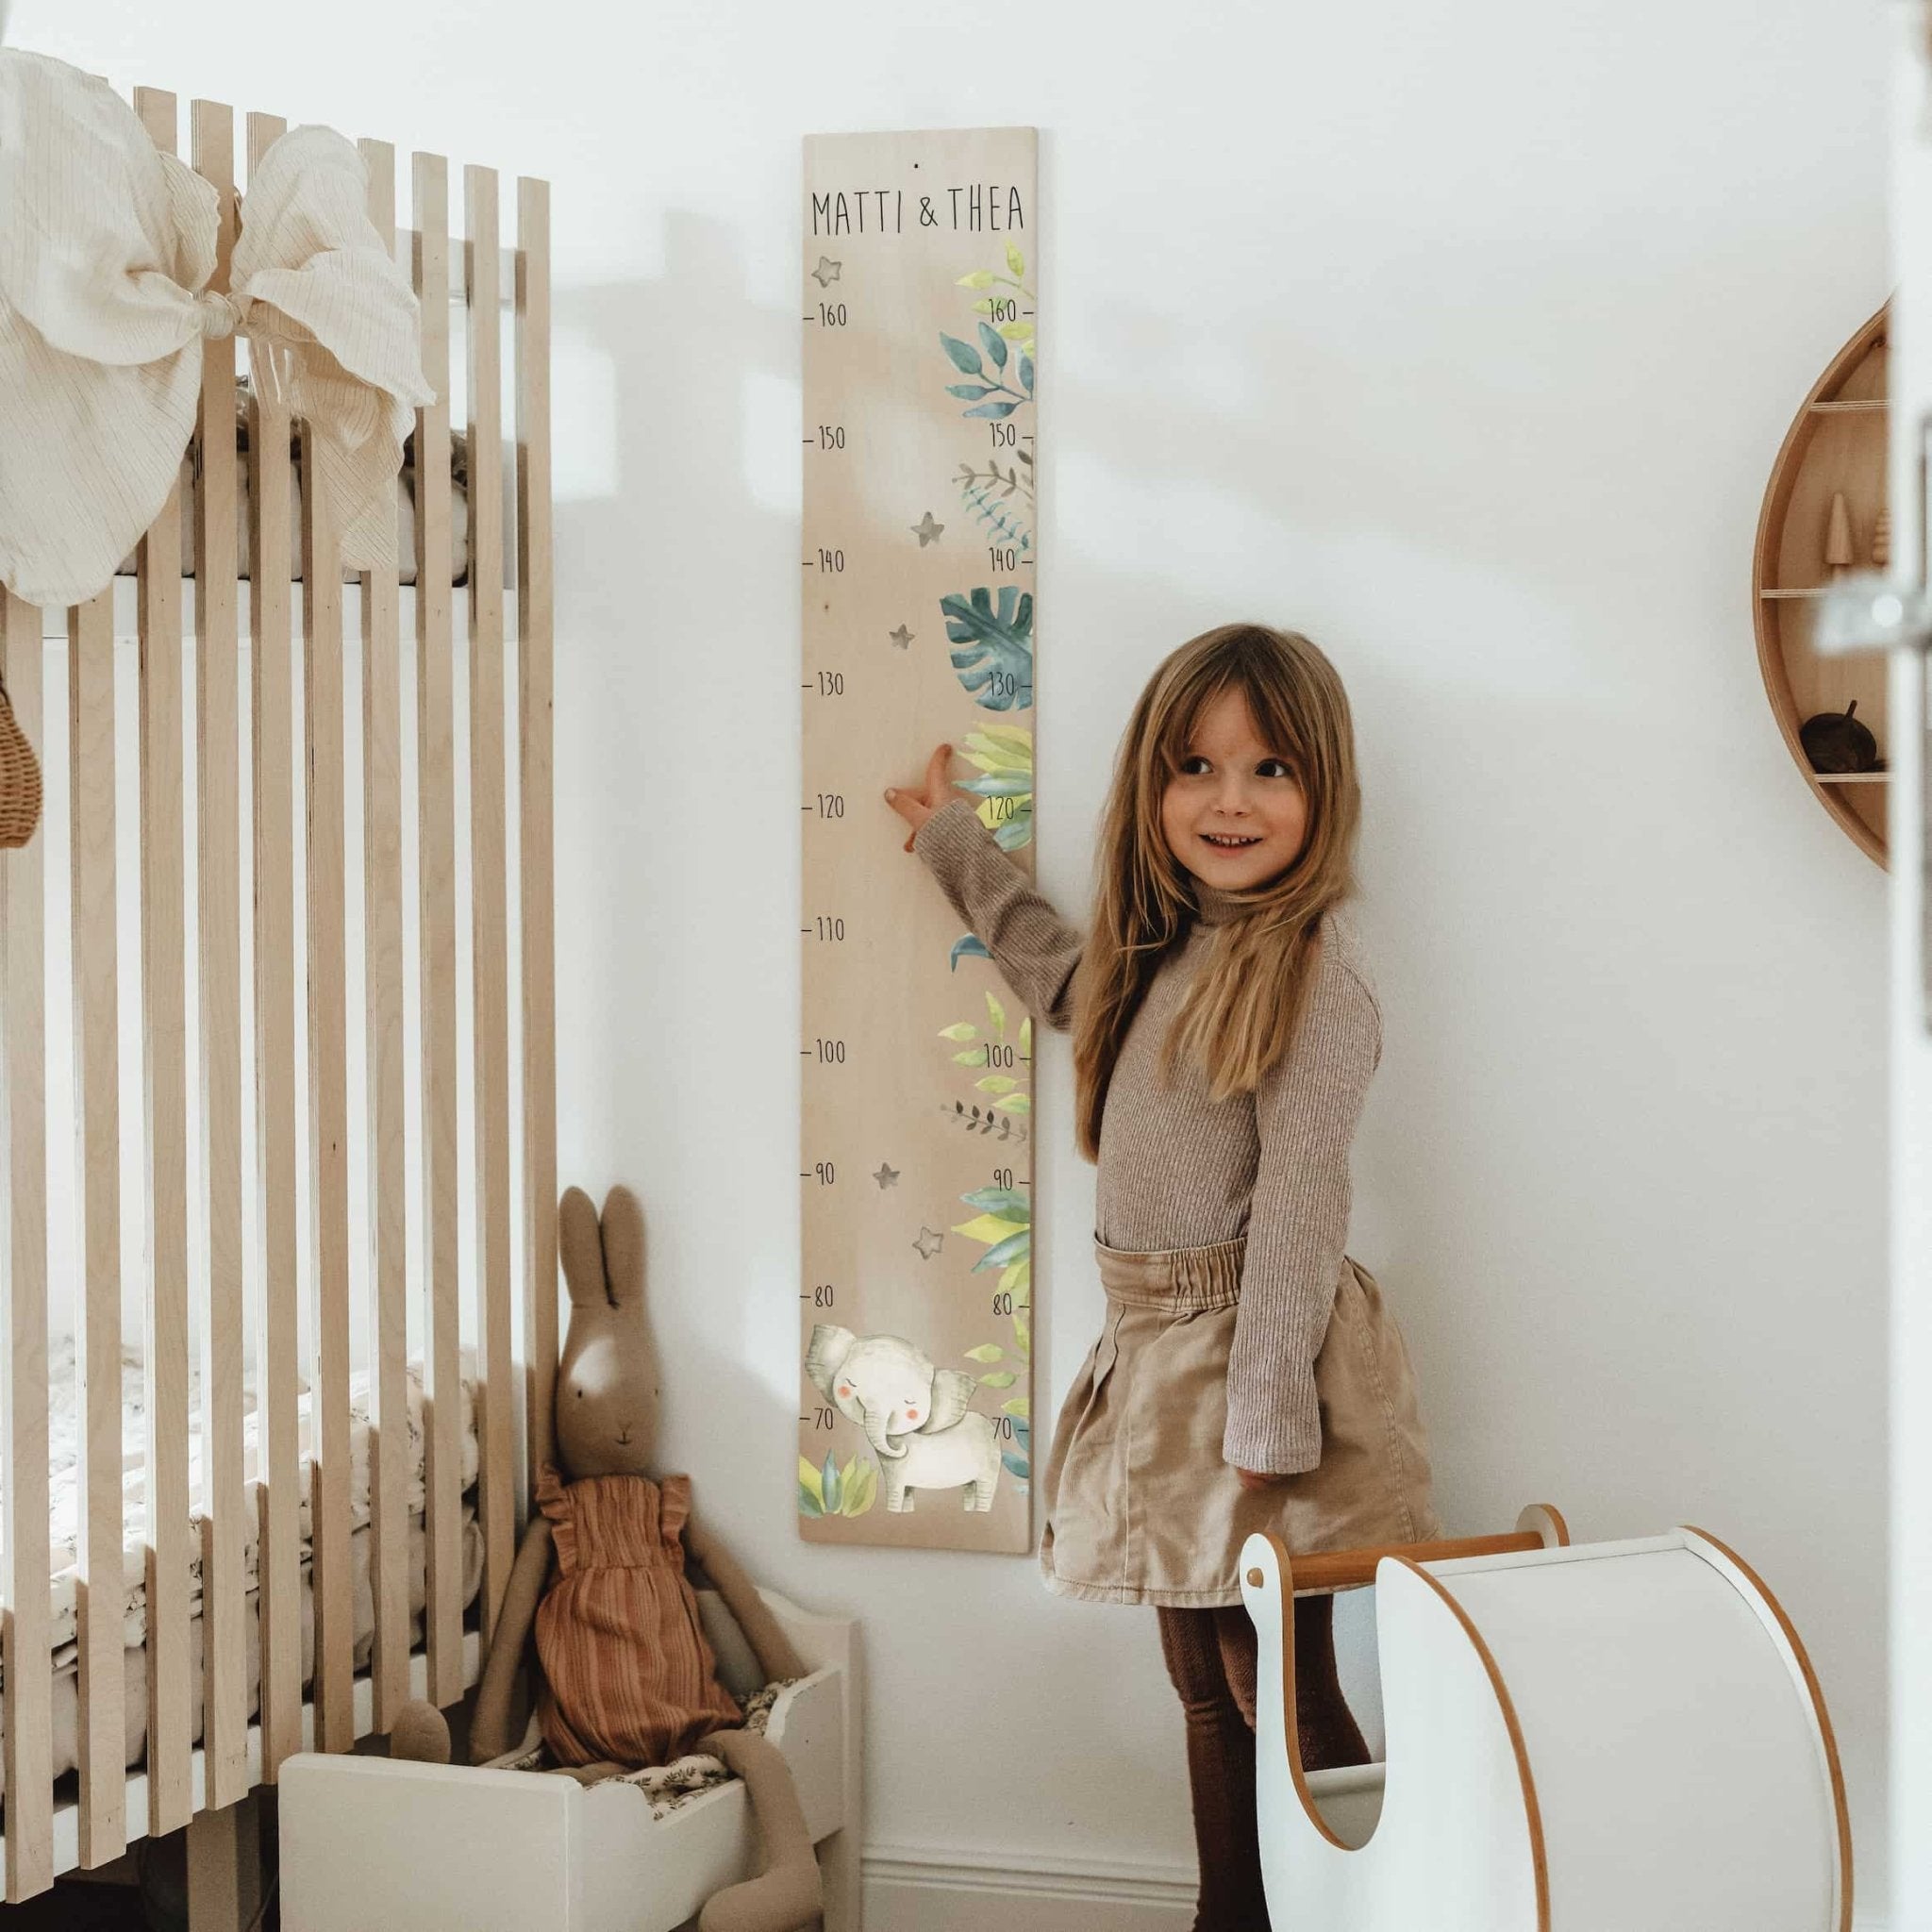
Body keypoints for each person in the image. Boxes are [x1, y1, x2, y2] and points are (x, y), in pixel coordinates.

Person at [885, 621, 1438, 1932]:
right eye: (1196, 768)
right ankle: (1231, 1912)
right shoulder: (1165, 951)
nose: (1229, 801)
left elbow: (1304, 1212)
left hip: (1251, 1357)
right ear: (1153, 787)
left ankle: (1356, 1905)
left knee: (1278, 1681)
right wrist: (953, 845)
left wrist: (1268, 1415)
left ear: (1324, 792)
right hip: (1157, 1352)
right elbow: (1058, 977)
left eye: (1268, 771)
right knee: (1201, 1672)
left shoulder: (1312, 981)